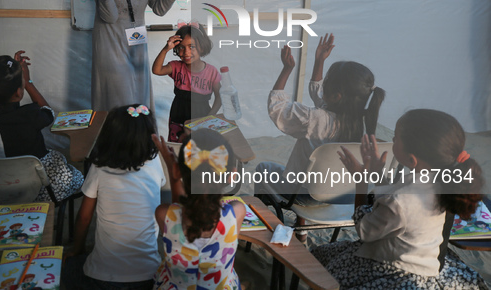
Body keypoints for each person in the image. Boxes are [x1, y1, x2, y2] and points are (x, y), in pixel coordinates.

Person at [312, 109, 487, 289]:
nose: (392, 140)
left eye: (396, 137)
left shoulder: (401, 200)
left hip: (395, 271)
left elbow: (365, 231)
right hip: (428, 264)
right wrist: (378, 175)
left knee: (321, 260)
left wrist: (361, 182)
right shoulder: (444, 180)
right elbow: (398, 200)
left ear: (412, 160)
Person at [255, 34, 385, 205]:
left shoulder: (314, 118)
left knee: (262, 169)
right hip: (342, 195)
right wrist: (319, 61)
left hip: (304, 194)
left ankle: (261, 216)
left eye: (327, 83)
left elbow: (277, 109)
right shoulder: (360, 118)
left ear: (336, 96)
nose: (323, 86)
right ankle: (301, 230)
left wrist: (287, 69)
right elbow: (321, 96)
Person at [62, 104, 165, 290]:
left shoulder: (99, 167)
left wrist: (76, 250)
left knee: (65, 266)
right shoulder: (155, 161)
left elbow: (84, 218)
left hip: (102, 279)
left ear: (108, 136)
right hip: (150, 277)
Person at [0, 51, 83, 201]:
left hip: (0, 184)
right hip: (35, 190)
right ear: (18, 93)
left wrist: (15, 75)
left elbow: (5, 104)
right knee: (77, 177)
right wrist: (29, 82)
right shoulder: (30, 116)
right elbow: (49, 113)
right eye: (22, 86)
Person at [152, 128, 246, 289]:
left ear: (177, 171)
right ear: (231, 176)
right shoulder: (236, 213)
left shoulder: (163, 213)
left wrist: (172, 168)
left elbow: (176, 212)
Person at [152, 22, 221, 142]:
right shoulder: (175, 66)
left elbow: (220, 97)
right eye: (181, 47)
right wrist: (165, 49)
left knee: (200, 148)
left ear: (202, 47)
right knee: (179, 148)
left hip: (202, 115)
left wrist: (210, 117)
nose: (186, 52)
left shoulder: (211, 72)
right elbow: (157, 70)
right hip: (178, 116)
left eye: (191, 47)